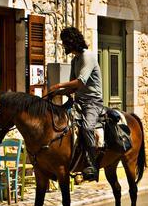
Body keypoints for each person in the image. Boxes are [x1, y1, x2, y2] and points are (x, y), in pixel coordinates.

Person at [44, 27, 104, 182]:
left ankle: (91, 165)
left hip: (92, 102)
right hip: (77, 101)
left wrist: (57, 86)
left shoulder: (87, 57)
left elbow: (80, 81)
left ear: (72, 42)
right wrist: (56, 93)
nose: (63, 46)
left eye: (65, 42)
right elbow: (73, 88)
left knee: (87, 127)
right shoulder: (74, 60)